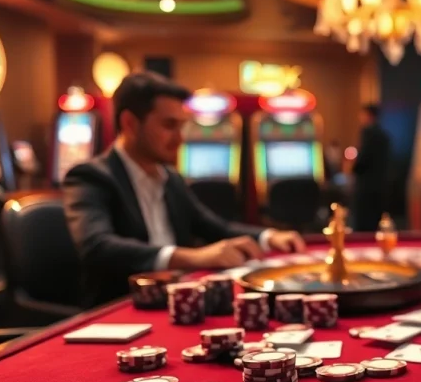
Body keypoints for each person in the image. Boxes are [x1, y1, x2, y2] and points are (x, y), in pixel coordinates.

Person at [64, 72, 305, 308]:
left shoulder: (171, 178)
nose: (180, 139)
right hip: (121, 309)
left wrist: (267, 237)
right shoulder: (91, 177)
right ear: (130, 123)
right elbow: (97, 247)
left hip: (178, 300)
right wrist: (193, 257)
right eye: (169, 125)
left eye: (182, 126)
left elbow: (214, 227)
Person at [351, 104, 392, 231]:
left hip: (366, 188)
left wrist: (351, 167)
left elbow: (362, 161)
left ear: (369, 115)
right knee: (376, 226)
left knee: (363, 227)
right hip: (381, 187)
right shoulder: (385, 135)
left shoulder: (367, 132)